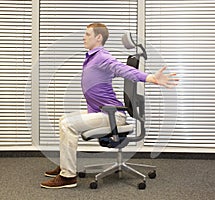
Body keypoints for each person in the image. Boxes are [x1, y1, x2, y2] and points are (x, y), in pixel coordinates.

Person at [40, 23, 178, 189]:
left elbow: (124, 69)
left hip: (113, 116)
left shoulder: (103, 57)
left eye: (87, 34)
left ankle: (68, 176)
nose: (83, 37)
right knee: (64, 119)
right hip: (102, 112)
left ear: (98, 38)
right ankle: (65, 166)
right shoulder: (92, 57)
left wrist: (150, 78)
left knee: (67, 124)